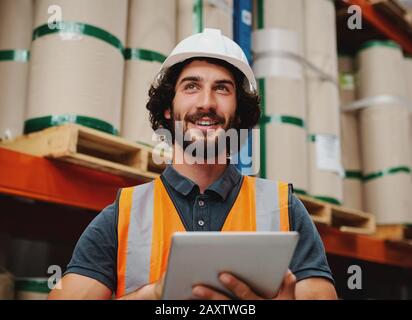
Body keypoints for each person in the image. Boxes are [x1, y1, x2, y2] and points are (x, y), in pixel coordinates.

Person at [48, 28, 337, 300]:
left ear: (238, 115)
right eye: (191, 87)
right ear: (167, 108)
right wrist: (154, 295)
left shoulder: (284, 209)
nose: (206, 102)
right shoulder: (122, 216)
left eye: (222, 89)